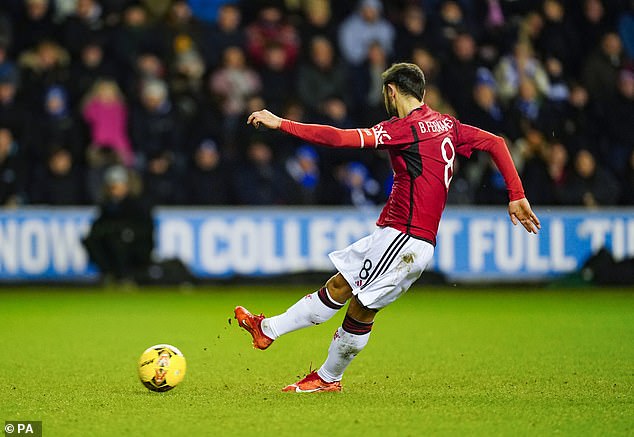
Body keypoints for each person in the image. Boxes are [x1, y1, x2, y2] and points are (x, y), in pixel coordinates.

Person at [234, 62, 540, 393]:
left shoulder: (403, 129)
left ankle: (312, 366)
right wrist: (517, 194)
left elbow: (339, 138)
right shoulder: (447, 125)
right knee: (346, 292)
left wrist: (281, 123)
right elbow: (495, 142)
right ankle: (280, 340)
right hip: (402, 237)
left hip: (405, 239)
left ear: (390, 91)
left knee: (356, 303)